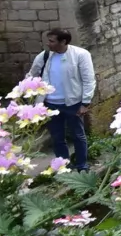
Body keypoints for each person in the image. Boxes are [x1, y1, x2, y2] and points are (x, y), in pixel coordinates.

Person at [29, 28, 96, 171]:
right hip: (50, 104)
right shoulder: (44, 56)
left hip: (72, 103)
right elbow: (32, 75)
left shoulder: (81, 55)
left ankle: (82, 165)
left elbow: (89, 80)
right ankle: (63, 165)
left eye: (52, 41)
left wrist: (85, 102)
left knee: (78, 135)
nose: (48, 44)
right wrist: (31, 94)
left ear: (63, 41)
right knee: (57, 137)